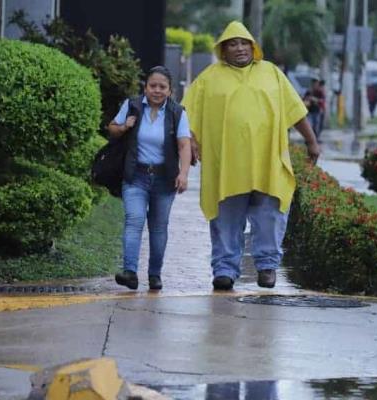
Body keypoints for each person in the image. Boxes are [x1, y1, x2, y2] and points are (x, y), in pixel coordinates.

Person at [182, 21, 321, 291]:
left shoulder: (271, 73)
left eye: (244, 42)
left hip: (266, 163)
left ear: (253, 46)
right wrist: (192, 142)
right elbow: (186, 114)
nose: (239, 48)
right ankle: (224, 269)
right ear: (224, 49)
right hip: (227, 165)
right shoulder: (209, 77)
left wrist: (311, 141)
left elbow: (296, 111)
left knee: (270, 217)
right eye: (232, 44)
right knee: (225, 219)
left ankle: (267, 266)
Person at [107, 66, 192, 290]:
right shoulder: (132, 105)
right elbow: (112, 129)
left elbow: (184, 145)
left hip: (164, 179)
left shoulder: (177, 112)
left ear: (170, 91)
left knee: (158, 227)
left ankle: (155, 275)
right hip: (136, 175)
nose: (157, 90)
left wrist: (183, 174)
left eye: (162, 87)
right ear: (145, 88)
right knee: (134, 221)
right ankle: (130, 272)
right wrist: (125, 126)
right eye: (152, 86)